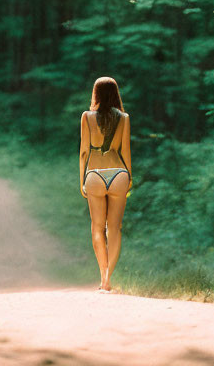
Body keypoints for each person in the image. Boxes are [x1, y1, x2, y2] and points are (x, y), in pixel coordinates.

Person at [79, 76, 131, 292]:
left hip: (94, 175)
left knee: (98, 229)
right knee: (115, 229)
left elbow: (83, 152)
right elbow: (125, 151)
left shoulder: (86, 117)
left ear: (96, 94)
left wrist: (82, 180)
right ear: (115, 94)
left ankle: (103, 278)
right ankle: (110, 275)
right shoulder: (125, 118)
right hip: (119, 173)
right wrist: (130, 179)